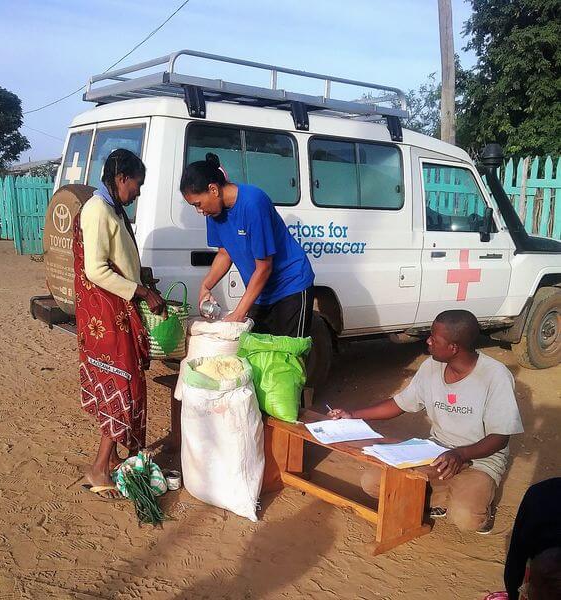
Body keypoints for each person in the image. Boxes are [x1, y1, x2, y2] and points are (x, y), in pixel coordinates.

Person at [329, 309, 524, 533]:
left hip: (479, 461)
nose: (428, 341)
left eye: (434, 338)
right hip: (435, 453)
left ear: (453, 348)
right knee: (373, 482)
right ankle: (439, 499)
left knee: (467, 519)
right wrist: (352, 415)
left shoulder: (495, 376)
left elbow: (500, 438)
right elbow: (399, 404)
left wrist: (460, 455)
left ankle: (474, 503)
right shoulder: (431, 366)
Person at [74, 149, 165, 499]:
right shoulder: (98, 209)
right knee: (121, 388)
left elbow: (117, 258)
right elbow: (96, 269)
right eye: (137, 185)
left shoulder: (112, 208)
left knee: (122, 385)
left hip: (116, 310)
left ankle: (108, 461)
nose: (138, 192)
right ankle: (98, 468)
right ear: (122, 178)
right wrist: (139, 290)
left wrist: (140, 277)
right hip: (107, 316)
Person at [179, 153, 315, 337]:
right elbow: (225, 253)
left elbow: (264, 267)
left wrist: (239, 313)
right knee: (257, 354)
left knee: (287, 357)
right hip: (260, 291)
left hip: (290, 286)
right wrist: (205, 286)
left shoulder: (253, 203)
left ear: (213, 189)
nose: (199, 211)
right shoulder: (213, 212)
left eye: (198, 204)